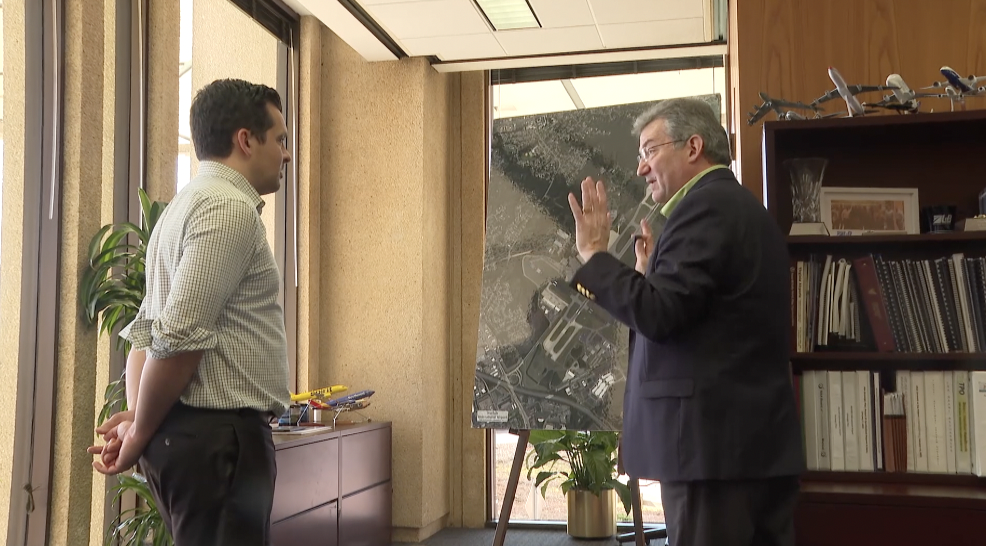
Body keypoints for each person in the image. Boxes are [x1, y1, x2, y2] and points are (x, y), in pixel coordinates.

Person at [567, 98, 804, 546]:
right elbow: (704, 319)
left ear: (693, 147)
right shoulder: (738, 206)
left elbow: (660, 315)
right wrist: (648, 278)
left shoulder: (704, 208)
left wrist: (595, 255)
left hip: (712, 455)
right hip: (746, 448)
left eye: (650, 151)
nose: (641, 168)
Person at [87, 78, 293, 546]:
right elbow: (177, 338)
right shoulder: (228, 210)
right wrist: (139, 431)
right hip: (219, 443)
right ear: (246, 140)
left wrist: (140, 418)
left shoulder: (183, 207)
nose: (286, 155)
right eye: (280, 140)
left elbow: (145, 333)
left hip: (194, 442)